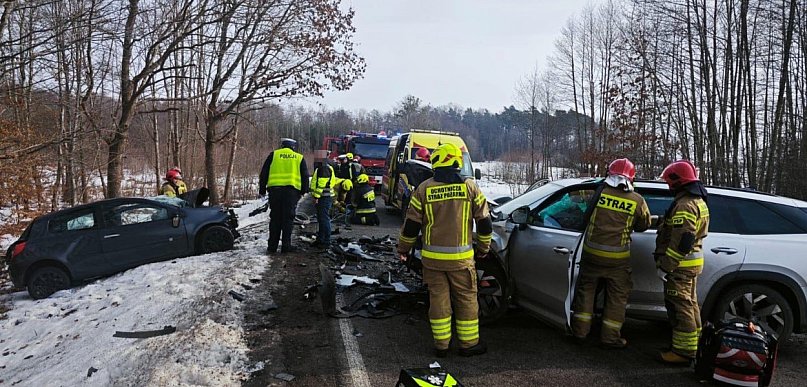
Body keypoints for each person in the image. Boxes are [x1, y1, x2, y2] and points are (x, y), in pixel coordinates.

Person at [396, 143, 493, 358]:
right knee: (466, 299)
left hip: (432, 262)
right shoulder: (470, 187)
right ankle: (468, 345)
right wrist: (484, 248)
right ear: (456, 162)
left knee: (438, 300)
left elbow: (411, 225)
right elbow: (485, 223)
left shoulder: (424, 189)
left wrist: (403, 249)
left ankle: (441, 345)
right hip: (462, 262)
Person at [570, 158, 651, 349]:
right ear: (631, 178)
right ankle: (610, 338)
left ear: (609, 174)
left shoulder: (598, 194)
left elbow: (579, 204)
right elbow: (644, 225)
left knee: (586, 292)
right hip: (617, 260)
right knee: (616, 298)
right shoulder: (637, 200)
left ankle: (580, 332)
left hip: (591, 255)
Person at [655, 160, 710, 364]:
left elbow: (683, 241)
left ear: (678, 181)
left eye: (669, 181)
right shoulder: (697, 201)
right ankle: (694, 346)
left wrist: (666, 266)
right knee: (690, 305)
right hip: (690, 264)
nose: (668, 185)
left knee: (680, 307)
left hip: (680, 266)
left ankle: (683, 353)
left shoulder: (685, 204)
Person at [258, 138, 309, 254]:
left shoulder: (274, 155)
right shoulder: (299, 157)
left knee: (275, 218)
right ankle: (286, 246)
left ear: (282, 146)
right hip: (291, 193)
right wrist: (303, 191)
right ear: (293, 147)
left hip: (275, 192)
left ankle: (272, 247)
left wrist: (262, 190)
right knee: (288, 219)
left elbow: (264, 173)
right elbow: (305, 176)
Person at [311, 160, 337, 248]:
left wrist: (316, 197)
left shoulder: (323, 168)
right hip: (325, 196)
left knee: (324, 219)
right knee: (322, 219)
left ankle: (326, 241)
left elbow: (321, 184)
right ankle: (321, 239)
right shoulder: (324, 167)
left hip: (324, 197)